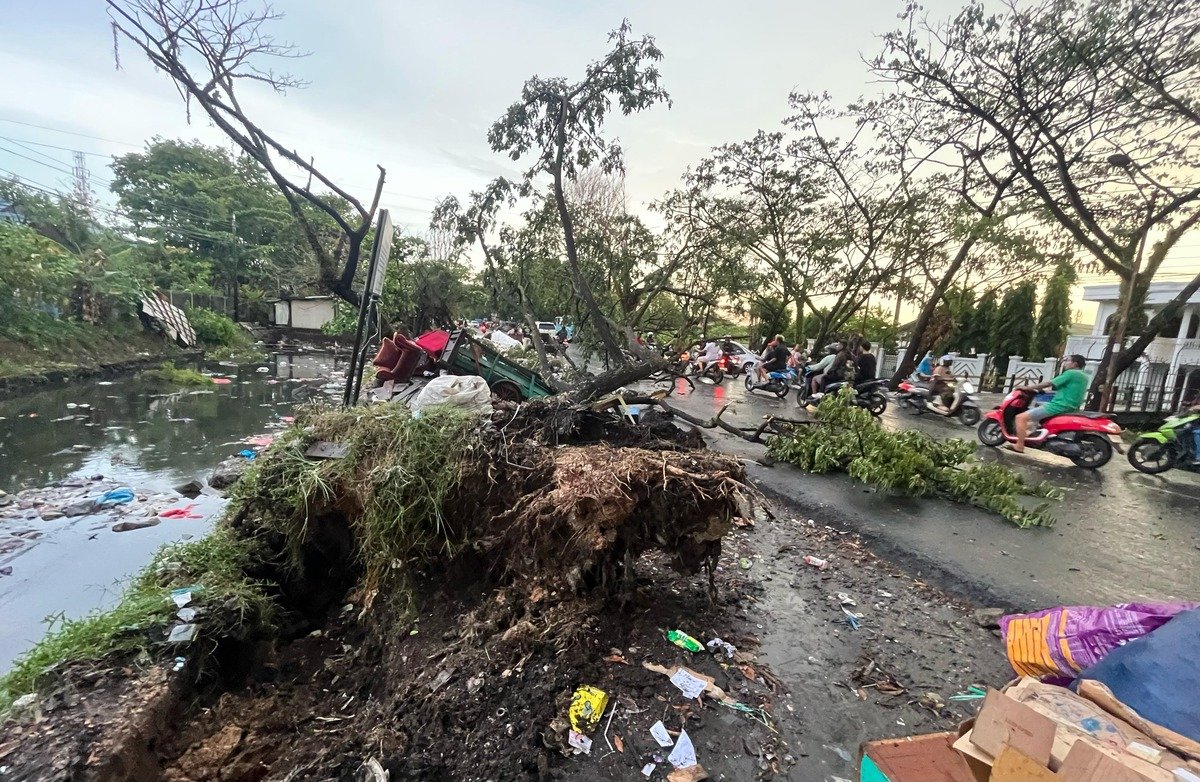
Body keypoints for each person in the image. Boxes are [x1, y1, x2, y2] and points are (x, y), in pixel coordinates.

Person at [1011, 354, 1090, 453]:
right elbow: (1070, 390)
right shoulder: (1084, 376)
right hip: (1072, 407)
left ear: (1074, 364)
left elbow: (1049, 383)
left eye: (1067, 361)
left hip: (1059, 406)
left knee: (1020, 418)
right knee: (1036, 414)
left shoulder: (1071, 373)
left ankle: (1019, 445)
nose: (1065, 363)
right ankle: (1030, 436)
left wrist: (1028, 388)